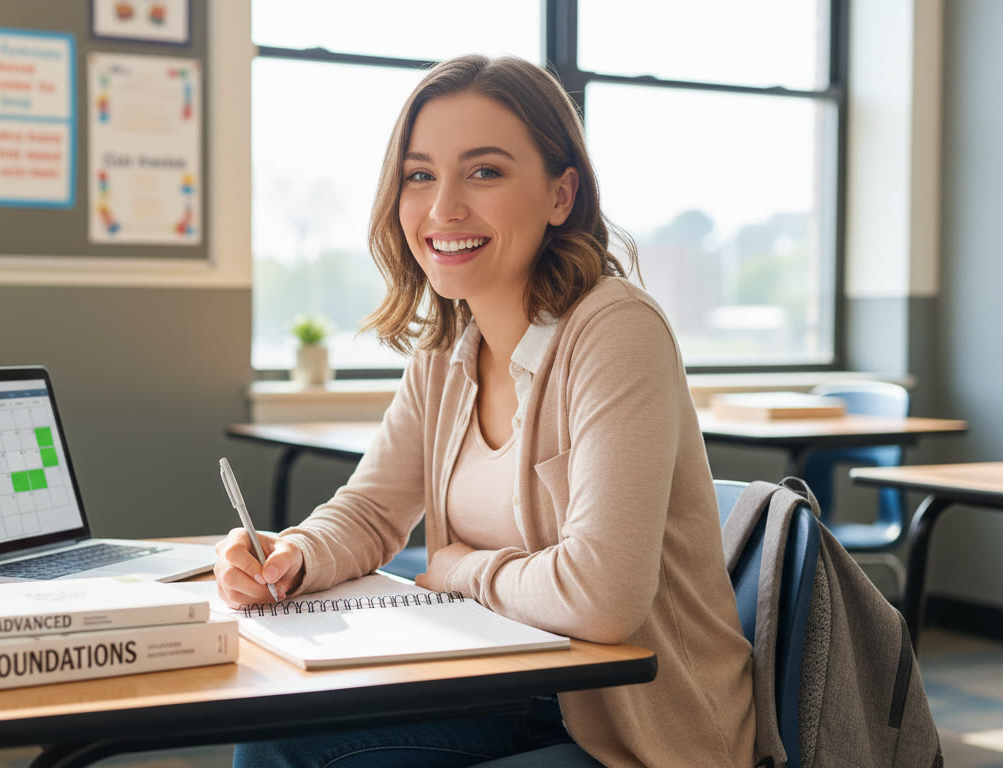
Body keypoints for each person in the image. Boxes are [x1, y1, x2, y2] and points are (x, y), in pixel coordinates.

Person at [216, 54, 755, 768]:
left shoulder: (616, 330)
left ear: (561, 196)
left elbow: (603, 599)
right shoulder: (446, 349)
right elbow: (374, 511)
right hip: (513, 688)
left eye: (485, 171)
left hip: (638, 731)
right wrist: (294, 555)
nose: (443, 208)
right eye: (419, 175)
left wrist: (463, 569)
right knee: (274, 735)